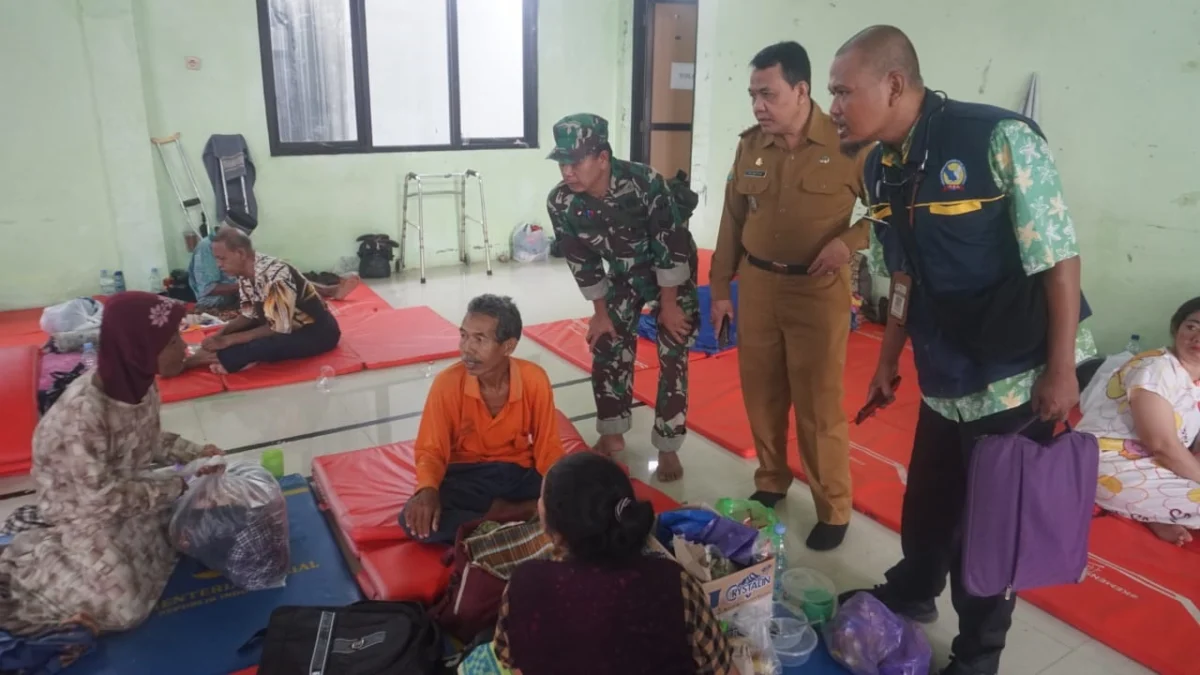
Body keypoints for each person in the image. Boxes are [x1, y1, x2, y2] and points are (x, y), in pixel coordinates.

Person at [828, 26, 1094, 675]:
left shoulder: (998, 139)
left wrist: (1060, 371)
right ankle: (915, 588)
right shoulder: (880, 165)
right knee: (929, 498)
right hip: (950, 364)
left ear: (893, 84)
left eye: (842, 90)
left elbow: (1059, 258)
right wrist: (890, 357)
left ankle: (979, 653)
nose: (833, 106)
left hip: (1024, 364)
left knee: (989, 521)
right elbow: (904, 275)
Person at [710, 41, 870, 551]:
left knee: (819, 404)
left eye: (768, 93)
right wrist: (719, 290)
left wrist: (848, 243)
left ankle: (833, 505)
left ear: (801, 91)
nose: (758, 105)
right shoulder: (751, 144)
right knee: (762, 393)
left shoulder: (851, 146)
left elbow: (889, 212)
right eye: (753, 94)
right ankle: (771, 480)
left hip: (816, 292)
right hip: (757, 285)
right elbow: (733, 217)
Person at [0, 292, 223, 634]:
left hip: (123, 488)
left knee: (192, 523)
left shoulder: (139, 385)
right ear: (139, 348)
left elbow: (147, 438)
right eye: (172, 341)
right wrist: (176, 485)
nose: (183, 347)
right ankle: (31, 565)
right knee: (123, 608)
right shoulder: (82, 417)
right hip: (84, 510)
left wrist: (194, 453)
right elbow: (99, 498)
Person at [546, 113, 700, 483]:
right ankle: (612, 432)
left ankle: (668, 447)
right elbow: (582, 261)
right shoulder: (562, 202)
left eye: (576, 161)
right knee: (607, 341)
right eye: (562, 162)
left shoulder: (645, 183)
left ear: (602, 157)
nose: (567, 171)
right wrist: (600, 313)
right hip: (623, 273)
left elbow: (669, 246)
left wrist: (667, 306)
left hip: (670, 272)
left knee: (673, 350)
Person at [490, 451, 739, 675]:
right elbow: (722, 670)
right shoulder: (672, 582)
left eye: (541, 500)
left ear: (554, 531)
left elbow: (509, 659)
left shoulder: (525, 584)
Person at [400, 295, 564, 544]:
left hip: (518, 475)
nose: (467, 348)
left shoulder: (534, 379)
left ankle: (494, 522)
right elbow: (431, 449)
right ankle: (521, 516)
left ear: (508, 347)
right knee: (413, 520)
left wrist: (555, 493)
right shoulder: (447, 383)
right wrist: (427, 489)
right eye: (464, 335)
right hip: (468, 478)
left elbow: (548, 447)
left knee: (581, 495)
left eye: (479, 339)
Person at [1078, 298, 1200, 546]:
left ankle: (1152, 512)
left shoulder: (1192, 378)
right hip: (1106, 463)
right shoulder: (1156, 368)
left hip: (1152, 464)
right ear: (1177, 327)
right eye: (1192, 326)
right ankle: (1149, 509)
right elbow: (1161, 444)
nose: (1197, 337)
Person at [182, 227, 341, 375]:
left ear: (241, 254)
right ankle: (229, 356)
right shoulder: (244, 272)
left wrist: (228, 340)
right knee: (233, 334)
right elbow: (248, 315)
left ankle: (217, 359)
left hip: (317, 331)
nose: (218, 265)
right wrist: (221, 334)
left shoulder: (275, 276)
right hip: (285, 323)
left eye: (222, 259)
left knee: (264, 344)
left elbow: (278, 328)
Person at [188, 210, 358, 313]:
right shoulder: (207, 248)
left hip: (240, 288)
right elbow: (208, 289)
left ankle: (327, 290)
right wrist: (249, 281)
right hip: (218, 301)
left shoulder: (231, 246)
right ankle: (325, 292)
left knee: (283, 270)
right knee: (277, 282)